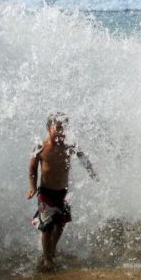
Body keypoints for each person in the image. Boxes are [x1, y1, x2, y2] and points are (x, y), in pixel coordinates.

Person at [26, 113, 99, 270]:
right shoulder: (40, 147)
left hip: (63, 192)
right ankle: (47, 259)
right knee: (47, 227)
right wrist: (32, 187)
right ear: (49, 128)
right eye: (58, 127)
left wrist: (91, 170)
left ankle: (51, 249)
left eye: (64, 127)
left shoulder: (69, 145)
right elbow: (32, 168)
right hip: (46, 192)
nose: (61, 131)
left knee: (60, 224)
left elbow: (82, 156)